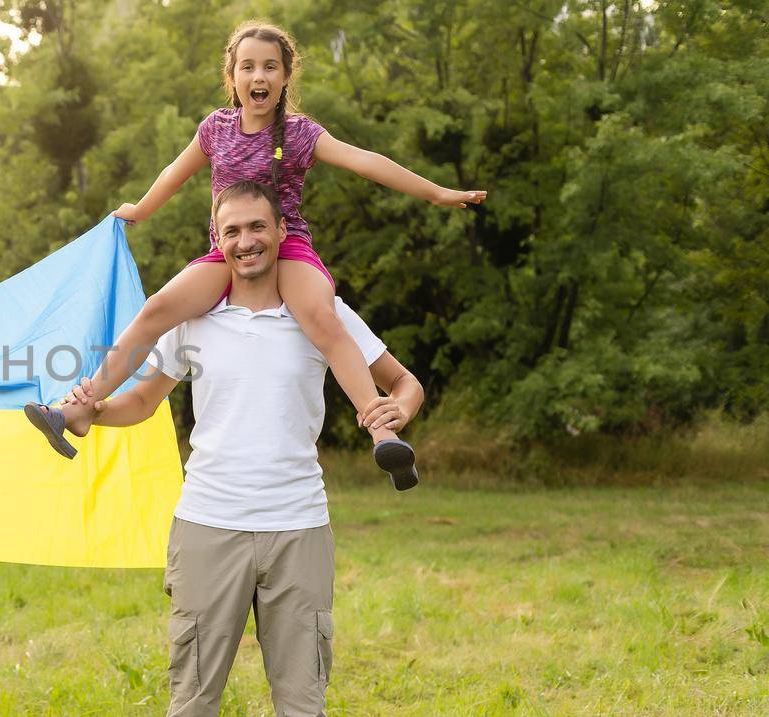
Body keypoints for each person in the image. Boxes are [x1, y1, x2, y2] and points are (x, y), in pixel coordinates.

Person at [27, 21, 476, 491]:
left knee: (322, 319)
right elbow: (174, 173)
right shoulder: (216, 129)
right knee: (157, 308)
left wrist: (436, 193)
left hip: (289, 245)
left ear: (284, 78)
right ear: (233, 77)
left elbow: (366, 161)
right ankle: (80, 407)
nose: (258, 75)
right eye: (248, 67)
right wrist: (142, 208)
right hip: (229, 248)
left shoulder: (300, 133)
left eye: (269, 67)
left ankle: (382, 431)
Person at [64, 181, 425, 716]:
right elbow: (142, 399)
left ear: (283, 231)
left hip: (298, 527)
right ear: (217, 239)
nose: (246, 241)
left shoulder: (323, 312)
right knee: (192, 702)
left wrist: (401, 408)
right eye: (231, 231)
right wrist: (94, 411)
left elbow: (405, 382)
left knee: (303, 703)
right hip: (209, 526)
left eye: (258, 226)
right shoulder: (193, 317)